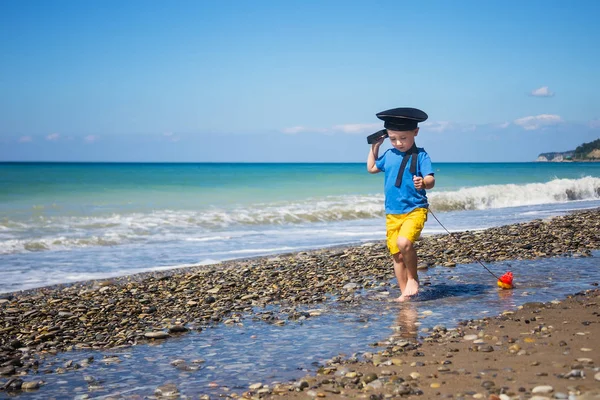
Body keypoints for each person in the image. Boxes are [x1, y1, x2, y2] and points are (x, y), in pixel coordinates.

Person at [366, 107, 435, 302]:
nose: (398, 143)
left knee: (404, 243)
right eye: (393, 138)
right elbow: (371, 168)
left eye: (403, 138)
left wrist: (424, 182)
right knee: (396, 255)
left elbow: (431, 179)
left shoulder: (421, 155)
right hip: (392, 213)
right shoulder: (388, 154)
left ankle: (413, 279)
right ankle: (404, 292)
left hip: (415, 209)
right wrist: (375, 147)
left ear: (415, 132)